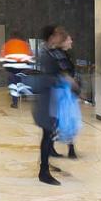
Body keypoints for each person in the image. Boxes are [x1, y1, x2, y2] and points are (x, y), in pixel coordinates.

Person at [33, 25, 65, 186]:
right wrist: (63, 80)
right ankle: (43, 171)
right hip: (47, 101)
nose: (61, 37)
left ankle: (45, 165)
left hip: (51, 99)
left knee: (48, 135)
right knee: (47, 135)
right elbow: (47, 78)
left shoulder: (51, 52)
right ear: (52, 37)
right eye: (58, 34)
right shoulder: (46, 54)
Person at [51, 31, 81, 160]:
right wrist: (72, 82)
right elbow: (63, 73)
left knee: (66, 120)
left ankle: (69, 148)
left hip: (65, 92)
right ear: (63, 41)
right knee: (64, 120)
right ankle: (68, 148)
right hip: (62, 92)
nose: (71, 42)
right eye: (69, 40)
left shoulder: (64, 54)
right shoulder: (59, 55)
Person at [0, 31, 34, 109]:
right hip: (22, 67)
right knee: (18, 81)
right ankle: (22, 90)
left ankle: (15, 101)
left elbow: (2, 57)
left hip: (11, 67)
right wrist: (29, 66)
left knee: (12, 83)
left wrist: (3, 66)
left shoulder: (7, 44)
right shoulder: (26, 45)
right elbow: (31, 57)